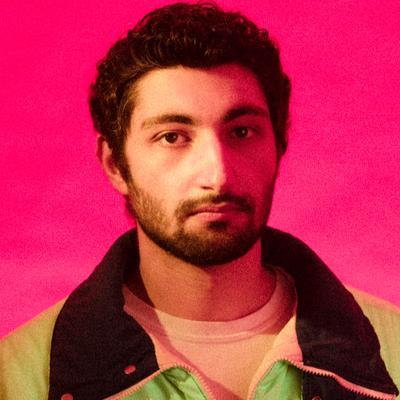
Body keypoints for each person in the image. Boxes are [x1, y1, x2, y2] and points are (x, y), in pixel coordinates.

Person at [1, 2, 399, 399]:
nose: (217, 175)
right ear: (115, 164)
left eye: (242, 132)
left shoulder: (393, 349)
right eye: (172, 137)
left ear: (279, 146)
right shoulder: (17, 376)